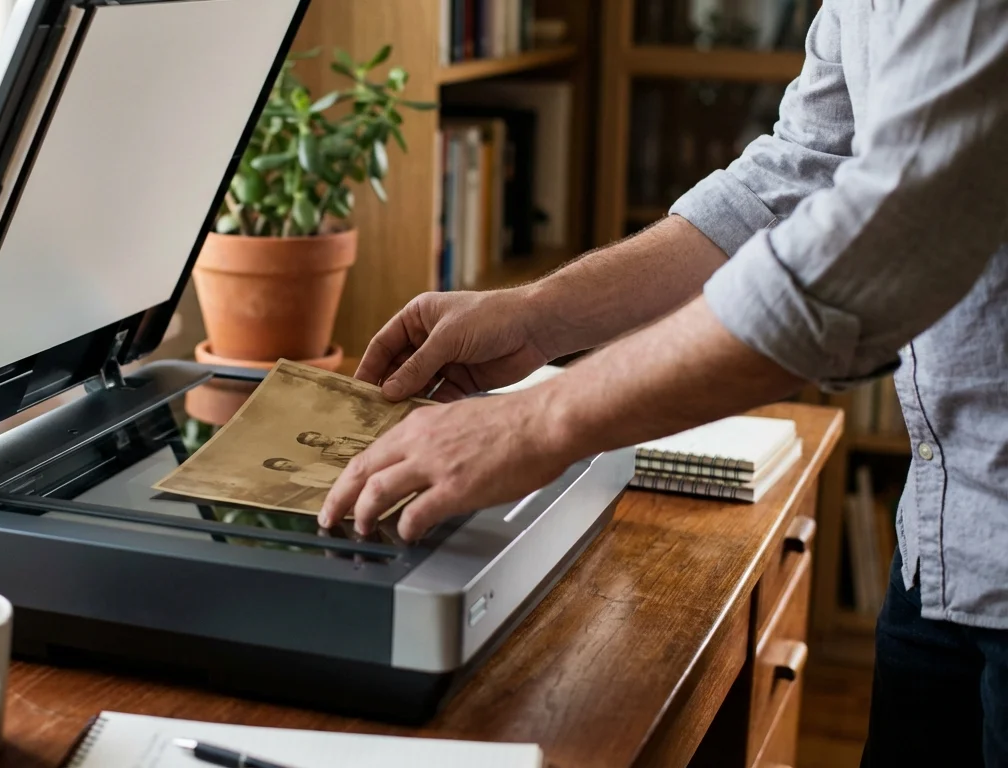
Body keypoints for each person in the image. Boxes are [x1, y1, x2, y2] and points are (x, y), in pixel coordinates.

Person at [318, 4, 1007, 766]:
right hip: (942, 548)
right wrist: (539, 316)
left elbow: (881, 244)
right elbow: (800, 174)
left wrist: (533, 422)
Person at [296, 431, 374, 467]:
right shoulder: (327, 456)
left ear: (321, 434)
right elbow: (349, 467)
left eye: (316, 437)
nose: (318, 441)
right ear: (313, 446)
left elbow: (373, 440)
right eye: (313, 442)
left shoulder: (347, 435)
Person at [262, 457, 340, 489]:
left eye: (285, 463)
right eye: (282, 466)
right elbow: (320, 485)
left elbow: (340, 470)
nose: (288, 465)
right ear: (281, 470)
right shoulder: (295, 478)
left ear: (290, 461)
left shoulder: (316, 465)